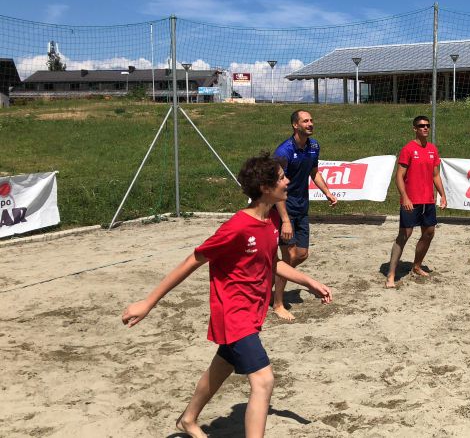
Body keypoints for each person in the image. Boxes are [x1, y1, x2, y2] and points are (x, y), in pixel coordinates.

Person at [121, 153, 333, 438]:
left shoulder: (271, 219)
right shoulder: (236, 227)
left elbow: (272, 263)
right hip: (233, 314)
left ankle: (188, 419)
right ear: (265, 188)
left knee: (222, 365)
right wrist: (148, 302)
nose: (288, 182)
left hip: (252, 312)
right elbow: (192, 261)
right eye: (282, 178)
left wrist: (309, 282)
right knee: (263, 380)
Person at [272, 110, 338, 321]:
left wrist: (327, 192)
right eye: (305, 121)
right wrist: (284, 220)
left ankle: (273, 276)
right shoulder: (284, 151)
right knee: (289, 257)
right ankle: (278, 303)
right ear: (295, 125)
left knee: (302, 254)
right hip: (284, 209)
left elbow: (314, 172)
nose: (310, 124)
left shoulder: (314, 146)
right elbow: (275, 187)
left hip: (302, 208)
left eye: (311, 120)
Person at [385, 115, 447, 288]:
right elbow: (399, 176)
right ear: (415, 129)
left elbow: (436, 175)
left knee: (429, 233)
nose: (425, 128)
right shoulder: (408, 149)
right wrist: (405, 197)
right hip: (411, 200)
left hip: (428, 200)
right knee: (404, 235)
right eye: (421, 126)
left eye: (427, 125)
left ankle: (417, 266)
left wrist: (442, 194)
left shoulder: (432, 149)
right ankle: (391, 274)